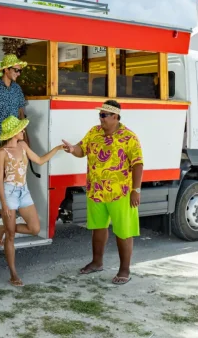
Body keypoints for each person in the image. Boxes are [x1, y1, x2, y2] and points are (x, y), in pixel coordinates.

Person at [61, 100, 144, 285]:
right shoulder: (94, 132)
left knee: (124, 231)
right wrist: (72, 149)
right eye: (100, 115)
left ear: (115, 116)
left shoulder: (129, 137)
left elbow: (138, 164)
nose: (101, 118)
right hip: (96, 191)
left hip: (120, 192)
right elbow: (82, 150)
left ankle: (124, 270)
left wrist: (135, 190)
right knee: (98, 228)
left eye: (104, 115)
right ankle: (97, 262)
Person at [0, 115, 62, 287]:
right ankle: (13, 274)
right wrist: (4, 204)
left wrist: (58, 148)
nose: (23, 132)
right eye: (21, 130)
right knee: (12, 236)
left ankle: (2, 229)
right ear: (14, 133)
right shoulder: (2, 153)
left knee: (35, 228)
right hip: (9, 193)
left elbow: (40, 160)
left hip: (24, 191)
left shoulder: (23, 145)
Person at [0, 54, 28, 171]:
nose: (18, 73)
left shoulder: (17, 88)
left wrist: (24, 134)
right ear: (6, 70)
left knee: (13, 168)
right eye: (16, 70)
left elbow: (21, 111)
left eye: (20, 71)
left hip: (14, 136)